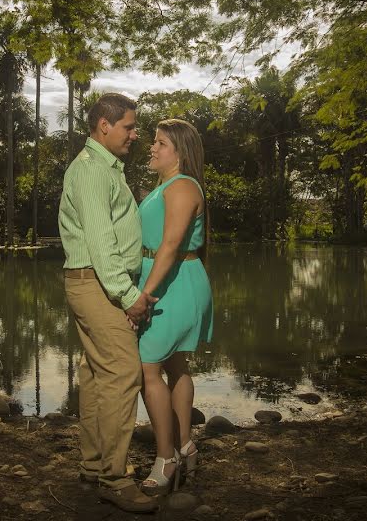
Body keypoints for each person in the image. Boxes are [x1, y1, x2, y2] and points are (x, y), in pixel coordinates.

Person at [58, 93, 159, 513]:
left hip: (95, 282)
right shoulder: (93, 172)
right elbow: (101, 243)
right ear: (104, 125)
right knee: (122, 371)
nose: (136, 135)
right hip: (99, 283)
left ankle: (94, 464)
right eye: (129, 127)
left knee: (98, 374)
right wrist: (129, 295)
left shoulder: (104, 170)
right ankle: (114, 480)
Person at [134, 118, 213, 496]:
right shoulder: (165, 186)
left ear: (179, 152)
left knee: (147, 368)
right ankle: (185, 445)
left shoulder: (182, 186)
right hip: (168, 278)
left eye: (160, 143)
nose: (152, 147)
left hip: (173, 283)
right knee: (175, 364)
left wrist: (144, 295)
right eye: (153, 142)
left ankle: (165, 457)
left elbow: (170, 247)